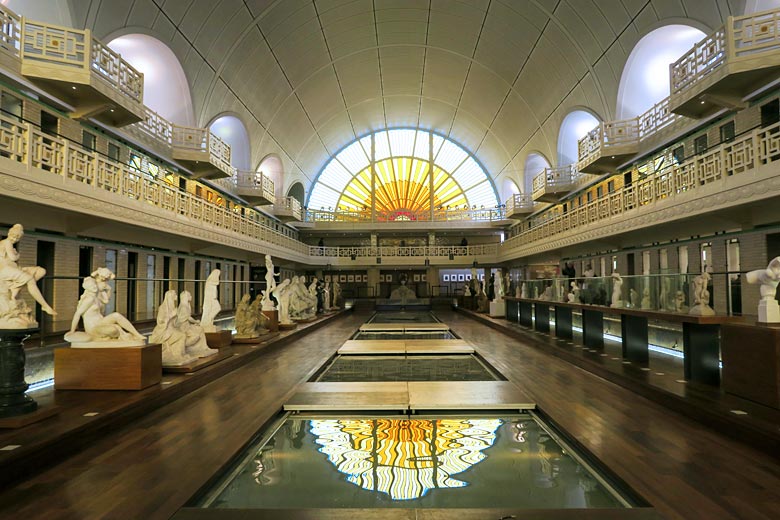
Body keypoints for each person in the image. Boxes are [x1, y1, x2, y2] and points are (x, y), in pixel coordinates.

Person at [0, 223, 56, 316]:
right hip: (5, 271)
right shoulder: (7, 242)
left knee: (40, 271)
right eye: (13, 237)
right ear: (9, 234)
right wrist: (18, 254)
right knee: (30, 279)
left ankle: (16, 288)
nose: (15, 240)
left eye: (17, 239)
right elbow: (14, 258)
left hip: (14, 269)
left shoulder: (8, 244)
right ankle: (45, 305)